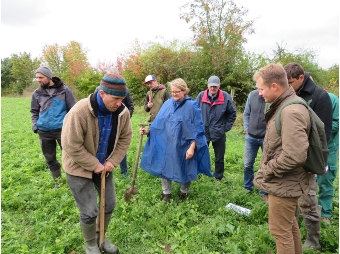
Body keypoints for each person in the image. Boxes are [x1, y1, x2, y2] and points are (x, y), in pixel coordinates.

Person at [61, 72, 132, 254]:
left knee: (109, 204)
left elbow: (125, 138)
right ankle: (91, 244)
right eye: (115, 98)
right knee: (90, 211)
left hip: (104, 166)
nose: (119, 103)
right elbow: (70, 144)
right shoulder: (80, 111)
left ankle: (102, 236)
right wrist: (94, 164)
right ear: (102, 93)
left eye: (122, 99)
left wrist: (112, 161)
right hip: (78, 167)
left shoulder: (122, 112)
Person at [253, 63, 311, 254]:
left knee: (281, 233)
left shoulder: (290, 111)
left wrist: (267, 171)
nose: (259, 93)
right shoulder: (285, 106)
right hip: (286, 182)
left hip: (283, 182)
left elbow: (294, 155)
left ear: (274, 87)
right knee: (289, 226)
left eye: (261, 89)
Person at [284, 62, 332, 251]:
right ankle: (292, 234)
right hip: (289, 157)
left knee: (307, 200)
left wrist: (310, 159)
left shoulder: (319, 97)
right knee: (290, 198)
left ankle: (313, 240)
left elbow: (323, 134)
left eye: (291, 82)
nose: (288, 86)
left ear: (301, 78)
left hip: (308, 158)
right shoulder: (290, 93)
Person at [140, 78, 212, 202]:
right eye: (172, 92)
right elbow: (159, 124)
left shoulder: (192, 106)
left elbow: (197, 129)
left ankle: (183, 192)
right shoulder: (168, 104)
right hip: (167, 142)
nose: (174, 94)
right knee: (164, 165)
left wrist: (192, 147)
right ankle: (166, 194)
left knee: (186, 166)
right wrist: (148, 131)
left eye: (177, 92)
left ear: (184, 91)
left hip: (185, 143)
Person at [30, 66, 76, 189]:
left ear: (49, 77)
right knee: (50, 159)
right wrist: (35, 125)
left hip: (62, 131)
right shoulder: (37, 94)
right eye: (37, 78)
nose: (38, 80)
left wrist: (71, 128)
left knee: (70, 157)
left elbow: (73, 110)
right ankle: (58, 183)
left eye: (41, 77)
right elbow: (34, 112)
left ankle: (74, 183)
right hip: (44, 132)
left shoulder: (65, 90)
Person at [196, 76, 236, 181]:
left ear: (219, 86)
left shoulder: (226, 97)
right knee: (200, 154)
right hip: (203, 131)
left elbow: (232, 114)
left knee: (219, 157)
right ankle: (199, 173)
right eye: (211, 86)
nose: (213, 88)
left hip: (219, 132)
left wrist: (225, 128)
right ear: (207, 86)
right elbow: (194, 112)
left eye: (215, 86)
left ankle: (218, 176)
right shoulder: (201, 96)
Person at [95, 86, 134, 178]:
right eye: (116, 98)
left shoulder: (125, 90)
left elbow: (130, 105)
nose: (119, 103)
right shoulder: (100, 89)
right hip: (102, 123)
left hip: (118, 121)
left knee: (119, 147)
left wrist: (124, 119)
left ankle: (124, 171)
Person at [317, 92, 339, 224]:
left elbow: (337, 123)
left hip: (328, 147)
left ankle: (325, 213)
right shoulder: (303, 99)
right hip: (309, 146)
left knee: (326, 179)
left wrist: (316, 129)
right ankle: (308, 209)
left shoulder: (333, 100)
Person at [243, 89, 266, 193]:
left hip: (266, 137)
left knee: (266, 165)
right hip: (251, 136)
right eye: (259, 88)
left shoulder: (273, 97)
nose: (260, 91)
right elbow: (246, 113)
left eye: (262, 88)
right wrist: (246, 128)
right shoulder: (252, 95)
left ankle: (264, 190)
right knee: (247, 164)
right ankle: (248, 187)